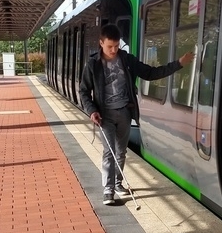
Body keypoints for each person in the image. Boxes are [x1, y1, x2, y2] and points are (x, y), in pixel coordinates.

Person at [79, 23, 195, 205]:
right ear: (101, 43)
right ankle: (108, 190)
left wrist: (178, 64)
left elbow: (150, 73)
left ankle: (118, 183)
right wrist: (92, 110)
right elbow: (84, 91)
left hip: (125, 111)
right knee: (108, 151)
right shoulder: (93, 64)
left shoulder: (126, 59)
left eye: (116, 46)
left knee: (121, 151)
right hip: (104, 115)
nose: (114, 50)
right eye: (110, 46)